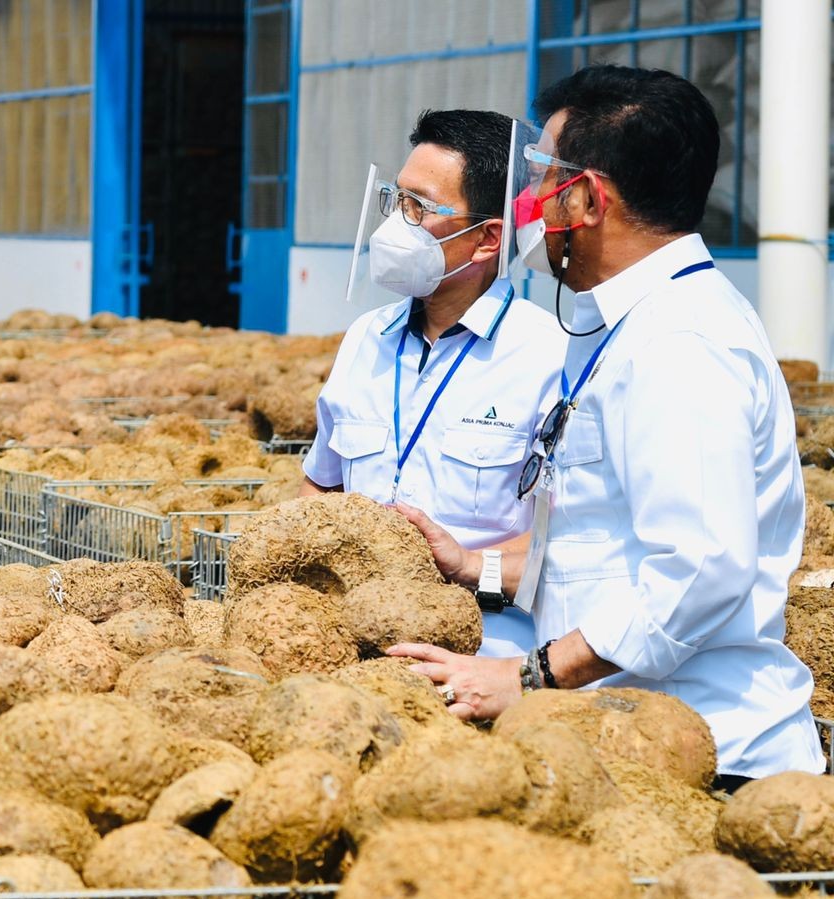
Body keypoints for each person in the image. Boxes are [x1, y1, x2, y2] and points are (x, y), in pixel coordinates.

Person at [391, 65, 824, 785]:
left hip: (707, 756)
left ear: (587, 197)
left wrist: (526, 676)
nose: (526, 204)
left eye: (538, 178)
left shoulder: (680, 345)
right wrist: (476, 567)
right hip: (625, 737)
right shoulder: (622, 327)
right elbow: (605, 551)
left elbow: (699, 569)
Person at [301, 109, 567, 658]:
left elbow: (570, 547)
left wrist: (470, 569)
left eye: (418, 207)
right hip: (349, 648)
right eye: (396, 200)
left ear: (488, 239)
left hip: (485, 653)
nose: (397, 224)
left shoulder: (550, 359)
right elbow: (320, 487)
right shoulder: (364, 339)